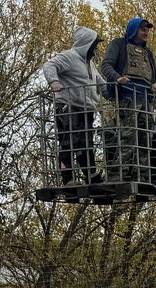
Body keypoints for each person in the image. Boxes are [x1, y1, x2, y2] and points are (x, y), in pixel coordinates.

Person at [42, 27, 107, 186]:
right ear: (87, 43)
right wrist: (54, 82)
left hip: (86, 109)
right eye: (94, 45)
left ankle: (91, 175)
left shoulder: (89, 64)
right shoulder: (69, 57)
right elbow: (49, 66)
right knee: (69, 142)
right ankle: (68, 178)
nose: (95, 49)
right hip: (68, 106)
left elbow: (101, 84)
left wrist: (116, 92)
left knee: (86, 143)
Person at [101, 17, 156, 181]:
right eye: (143, 29)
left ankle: (141, 175)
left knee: (145, 139)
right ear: (135, 29)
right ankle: (117, 174)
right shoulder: (119, 45)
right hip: (128, 98)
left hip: (145, 101)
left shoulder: (147, 53)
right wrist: (117, 78)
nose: (146, 33)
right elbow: (106, 65)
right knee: (128, 136)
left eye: (147, 30)